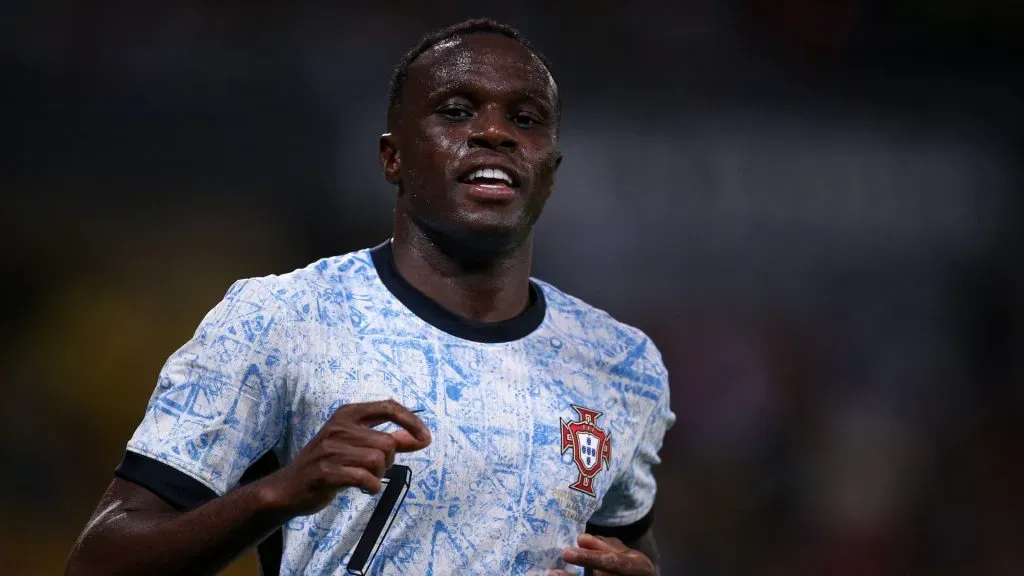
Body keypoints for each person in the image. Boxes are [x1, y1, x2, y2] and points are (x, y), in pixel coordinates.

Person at [65, 18, 674, 576]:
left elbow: (622, 550)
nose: (494, 132)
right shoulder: (280, 319)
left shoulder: (621, 364)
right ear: (393, 157)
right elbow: (98, 564)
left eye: (526, 118)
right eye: (457, 111)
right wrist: (276, 494)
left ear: (551, 169)